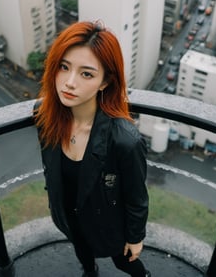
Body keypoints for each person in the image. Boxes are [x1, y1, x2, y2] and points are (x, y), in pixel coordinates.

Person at [34, 21, 151, 277]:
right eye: (64, 67)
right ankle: (90, 272)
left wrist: (135, 237)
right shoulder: (46, 118)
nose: (69, 83)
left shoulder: (124, 140)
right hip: (70, 215)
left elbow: (136, 197)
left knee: (125, 262)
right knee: (82, 252)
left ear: (105, 82)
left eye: (86, 73)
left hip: (109, 222)